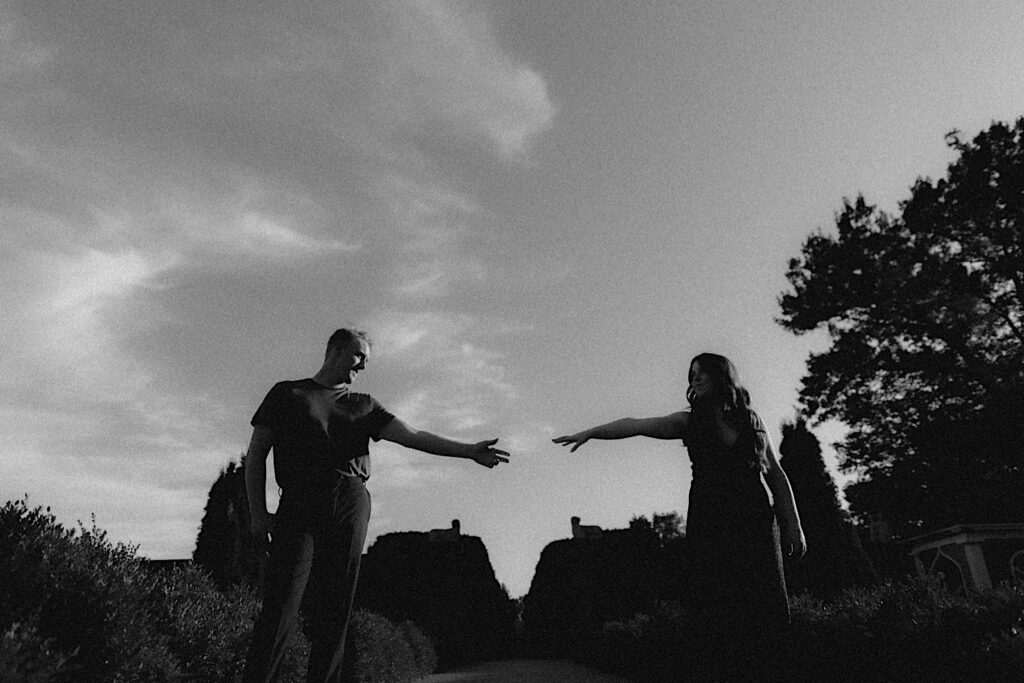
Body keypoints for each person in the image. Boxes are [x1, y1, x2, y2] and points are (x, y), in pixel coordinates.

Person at [243, 327, 510, 682]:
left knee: (334, 611)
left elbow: (414, 436)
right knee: (280, 607)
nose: (363, 366)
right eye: (358, 356)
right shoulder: (287, 393)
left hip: (349, 501)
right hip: (299, 504)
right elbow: (257, 454)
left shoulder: (364, 405)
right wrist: (258, 514)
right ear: (335, 350)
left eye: (366, 360)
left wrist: (467, 451)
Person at [553, 352, 805, 677]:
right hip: (711, 528)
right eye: (691, 375)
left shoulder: (752, 421)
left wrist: (793, 525)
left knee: (766, 612)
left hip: (755, 526)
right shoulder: (689, 421)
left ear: (721, 376)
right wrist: (591, 432)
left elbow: (776, 475)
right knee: (715, 615)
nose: (694, 380)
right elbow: (636, 425)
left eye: (701, 373)